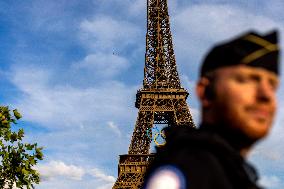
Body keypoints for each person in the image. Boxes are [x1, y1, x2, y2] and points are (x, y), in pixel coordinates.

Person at [142, 30, 280, 189]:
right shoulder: (189, 169)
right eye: (246, 80)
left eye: (272, 85)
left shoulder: (230, 174)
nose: (266, 95)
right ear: (205, 91)